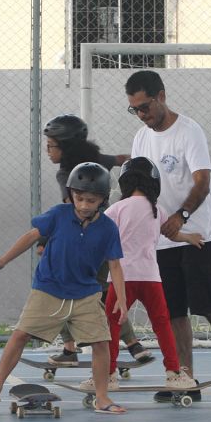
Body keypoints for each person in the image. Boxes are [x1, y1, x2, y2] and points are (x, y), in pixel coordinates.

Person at [125, 70, 211, 402]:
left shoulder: (189, 132)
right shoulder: (141, 139)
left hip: (198, 233)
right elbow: (139, 186)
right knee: (173, 309)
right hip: (162, 238)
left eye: (145, 106)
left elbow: (202, 181)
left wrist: (181, 216)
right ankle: (184, 376)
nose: (142, 115)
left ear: (161, 96)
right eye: (134, 109)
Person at [0, 162, 128, 416]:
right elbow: (32, 236)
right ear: (71, 195)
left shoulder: (108, 228)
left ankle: (102, 397)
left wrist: (121, 299)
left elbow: (115, 265)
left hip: (86, 294)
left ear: (102, 199)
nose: (83, 205)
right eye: (79, 198)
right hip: (48, 289)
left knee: (102, 342)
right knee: (20, 335)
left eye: (90, 200)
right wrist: (2, 261)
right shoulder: (58, 214)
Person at [42, 114, 152, 368]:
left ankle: (70, 348)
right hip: (105, 234)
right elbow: (122, 160)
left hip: (82, 239)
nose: (48, 151)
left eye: (51, 145)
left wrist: (46, 240)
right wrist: (142, 170)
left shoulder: (67, 174)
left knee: (61, 286)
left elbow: (71, 209)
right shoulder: (95, 161)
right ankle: (134, 344)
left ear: (65, 147)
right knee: (102, 294)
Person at [82, 156, 201, 392]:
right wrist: (189, 237)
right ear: (153, 183)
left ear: (125, 182)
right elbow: (171, 233)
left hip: (121, 277)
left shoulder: (116, 209)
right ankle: (174, 373)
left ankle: (107, 376)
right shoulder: (157, 210)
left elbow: (97, 234)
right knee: (162, 324)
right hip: (150, 278)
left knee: (111, 326)